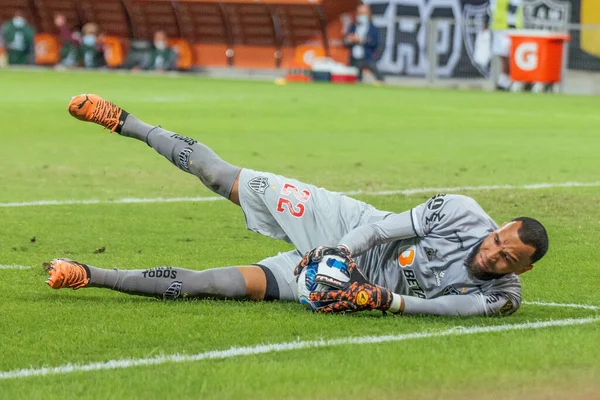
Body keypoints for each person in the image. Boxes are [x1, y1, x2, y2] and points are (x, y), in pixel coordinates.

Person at [46, 94, 549, 317]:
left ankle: (88, 274)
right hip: (347, 227)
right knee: (219, 175)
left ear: (523, 269)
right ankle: (125, 121)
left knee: (214, 286)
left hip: (356, 286)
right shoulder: (461, 212)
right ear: (498, 227)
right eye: (498, 242)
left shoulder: (502, 297)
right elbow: (382, 231)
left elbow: (441, 309)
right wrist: (337, 253)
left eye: (509, 258)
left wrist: (376, 299)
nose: (494, 255)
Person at [344, 4, 384, 85]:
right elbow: (345, 42)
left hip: (368, 57)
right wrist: (350, 39)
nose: (362, 15)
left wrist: (361, 40)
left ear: (368, 14)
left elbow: (375, 43)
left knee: (379, 77)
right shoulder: (353, 27)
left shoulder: (373, 28)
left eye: (364, 13)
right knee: (355, 80)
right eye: (360, 13)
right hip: (354, 58)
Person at [489, 0, 523, 91]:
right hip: (498, 27)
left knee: (507, 55)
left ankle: (508, 81)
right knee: (501, 55)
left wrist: (511, 26)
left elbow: (513, 8)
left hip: (507, 28)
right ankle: (504, 80)